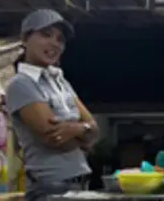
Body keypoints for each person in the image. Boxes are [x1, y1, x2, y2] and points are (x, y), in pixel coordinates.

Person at [6, 10, 99, 201]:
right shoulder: (22, 84)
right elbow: (55, 140)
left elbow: (95, 130)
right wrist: (84, 135)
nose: (55, 43)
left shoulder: (61, 83)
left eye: (60, 39)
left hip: (78, 183)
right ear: (25, 39)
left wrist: (78, 129)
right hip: (50, 188)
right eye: (46, 35)